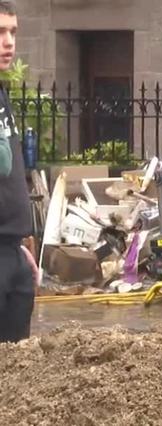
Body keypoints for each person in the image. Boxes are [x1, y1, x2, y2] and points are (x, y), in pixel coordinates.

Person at [0, 0, 38, 343]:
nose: (8, 41)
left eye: (13, 31)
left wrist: (20, 244)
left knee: (15, 371)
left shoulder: (1, 94)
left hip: (12, 253)